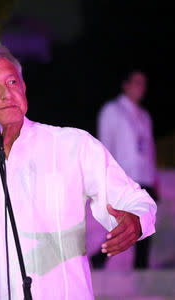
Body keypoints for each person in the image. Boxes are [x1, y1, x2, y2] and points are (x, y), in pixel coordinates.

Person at [0, 45, 157, 299]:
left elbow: (135, 201)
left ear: (24, 88)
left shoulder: (73, 146)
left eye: (13, 81)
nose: (7, 94)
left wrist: (136, 221)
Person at [91, 70, 158, 269]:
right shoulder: (112, 111)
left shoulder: (144, 116)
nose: (141, 88)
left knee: (144, 224)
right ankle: (100, 258)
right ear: (126, 84)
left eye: (143, 83)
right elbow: (104, 144)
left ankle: (141, 269)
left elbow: (149, 148)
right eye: (137, 82)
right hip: (123, 178)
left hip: (144, 177)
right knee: (122, 223)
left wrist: (153, 177)